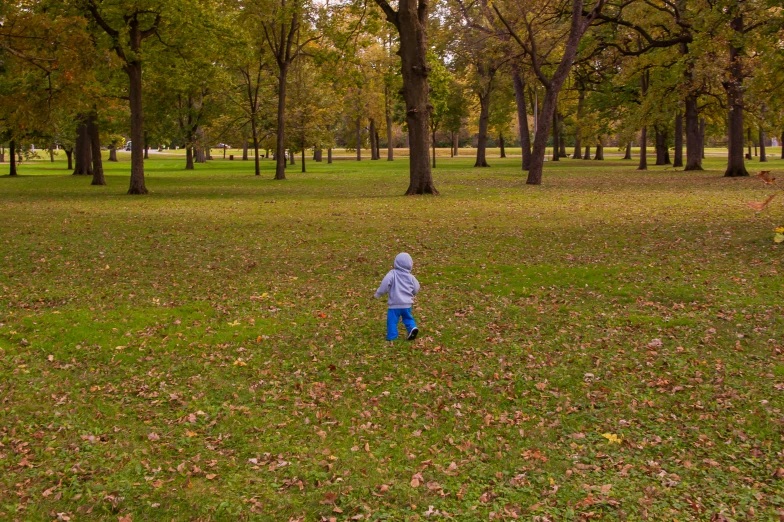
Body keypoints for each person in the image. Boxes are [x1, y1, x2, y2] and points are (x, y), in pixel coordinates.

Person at [374, 252, 420, 341]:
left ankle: (392, 336)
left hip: (394, 305)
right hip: (407, 304)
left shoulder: (392, 274)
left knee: (392, 321)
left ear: (396, 263)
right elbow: (417, 287)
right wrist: (412, 294)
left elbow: (384, 284)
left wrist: (378, 294)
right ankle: (412, 328)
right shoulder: (411, 277)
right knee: (407, 317)